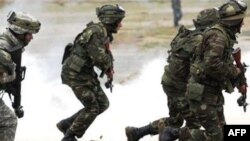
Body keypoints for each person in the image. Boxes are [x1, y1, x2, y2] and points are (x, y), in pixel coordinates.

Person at [125, 8, 220, 141]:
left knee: (175, 121)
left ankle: (136, 132)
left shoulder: (187, 34)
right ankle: (164, 135)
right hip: (180, 86)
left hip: (170, 82)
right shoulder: (200, 40)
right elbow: (204, 67)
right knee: (193, 124)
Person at [57, 4, 125, 141]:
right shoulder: (96, 33)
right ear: (110, 21)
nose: (121, 25)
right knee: (92, 108)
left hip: (85, 74)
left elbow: (105, 53)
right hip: (75, 75)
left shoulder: (103, 32)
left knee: (103, 104)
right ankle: (70, 136)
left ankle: (67, 125)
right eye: (119, 21)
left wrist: (109, 69)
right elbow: (99, 58)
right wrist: (108, 67)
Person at [184, 0, 247, 141]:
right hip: (202, 94)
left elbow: (223, 62)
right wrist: (234, 72)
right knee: (216, 137)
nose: (243, 24)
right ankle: (181, 134)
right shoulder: (218, 36)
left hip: (212, 93)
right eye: (241, 20)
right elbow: (212, 64)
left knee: (224, 134)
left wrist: (239, 80)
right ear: (235, 22)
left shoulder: (223, 34)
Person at [0, 11, 41, 141]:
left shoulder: (11, 44)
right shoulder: (4, 49)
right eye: (29, 34)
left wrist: (17, 104)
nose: (31, 38)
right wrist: (10, 77)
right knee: (9, 121)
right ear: (20, 32)